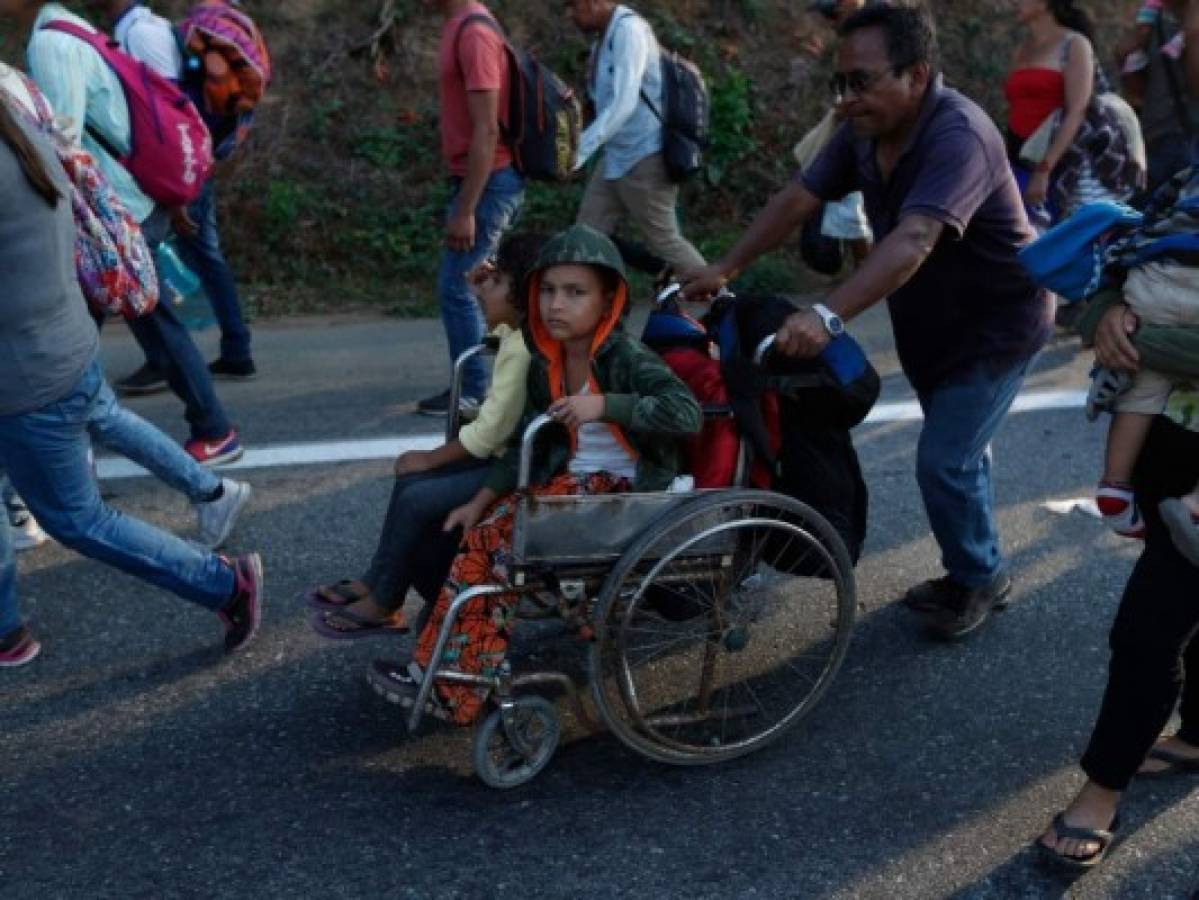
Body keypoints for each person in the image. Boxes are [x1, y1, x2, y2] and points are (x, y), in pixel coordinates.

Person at [682, 4, 1053, 641]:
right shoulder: (863, 129)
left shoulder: (957, 134)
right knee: (959, 451)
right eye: (841, 83)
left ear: (917, 74)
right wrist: (725, 264)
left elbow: (913, 239)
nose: (848, 97)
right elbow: (799, 197)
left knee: (945, 463)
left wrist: (827, 313)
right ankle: (976, 553)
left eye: (862, 81)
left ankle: (980, 575)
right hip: (930, 323)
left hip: (996, 326)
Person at [368, 224, 702, 724]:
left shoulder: (624, 357)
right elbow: (530, 441)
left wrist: (605, 404)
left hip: (624, 494)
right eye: (547, 291)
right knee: (478, 537)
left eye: (575, 293)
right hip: (573, 488)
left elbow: (686, 413)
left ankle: (456, 684)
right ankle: (448, 673)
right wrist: (480, 498)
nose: (556, 305)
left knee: (497, 550)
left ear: (608, 298)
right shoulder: (544, 362)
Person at [0, 93, 262, 668]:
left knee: (78, 519)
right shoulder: (17, 118)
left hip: (28, 379)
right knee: (103, 416)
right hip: (65, 339)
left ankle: (222, 584)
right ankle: (213, 491)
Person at [7, 0, 245, 467]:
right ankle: (78, 444)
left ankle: (212, 429)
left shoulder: (51, 42)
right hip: (128, 199)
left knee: (109, 325)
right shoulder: (66, 26)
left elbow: (62, 142)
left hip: (114, 209)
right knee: (109, 324)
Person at [307, 233, 545, 639]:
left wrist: (433, 457)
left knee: (417, 493)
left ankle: (385, 600)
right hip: (504, 456)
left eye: (497, 282)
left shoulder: (521, 348)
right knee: (411, 483)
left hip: (512, 466)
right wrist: (480, 290)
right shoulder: (516, 335)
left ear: (522, 297)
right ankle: (378, 581)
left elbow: (490, 433)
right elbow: (499, 330)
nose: (486, 288)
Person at [1035, 322, 1199, 869]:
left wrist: (1155, 336)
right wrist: (1112, 312)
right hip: (1169, 449)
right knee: (1180, 613)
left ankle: (1102, 791)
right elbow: (1123, 255)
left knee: (1146, 634)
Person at [90, 0, 257, 387]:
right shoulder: (140, 30)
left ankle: (171, 358)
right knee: (195, 253)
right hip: (187, 164)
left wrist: (178, 185)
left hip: (178, 168)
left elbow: (169, 112)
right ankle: (234, 350)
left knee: (141, 257)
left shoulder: (143, 34)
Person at [416, 0, 525, 417]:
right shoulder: (458, 25)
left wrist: (467, 208)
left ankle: (475, 391)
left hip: (490, 182)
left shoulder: (475, 34)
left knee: (458, 287)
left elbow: (487, 128)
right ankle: (482, 382)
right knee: (471, 286)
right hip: (478, 180)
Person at [568, 0, 707, 279]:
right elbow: (599, 102)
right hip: (616, 157)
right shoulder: (603, 40)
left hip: (644, 156)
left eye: (574, 6)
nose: (570, 15)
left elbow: (624, 102)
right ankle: (598, 314)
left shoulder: (629, 31)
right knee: (585, 237)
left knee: (665, 242)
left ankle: (723, 303)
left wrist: (579, 152)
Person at [1004, 0, 1127, 227]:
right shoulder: (1021, 49)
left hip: (1060, 165)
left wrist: (1044, 170)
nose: (1013, 2)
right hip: (1020, 159)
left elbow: (1077, 110)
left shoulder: (1074, 44)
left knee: (1059, 238)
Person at [795, 0, 876, 264]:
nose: (834, 20)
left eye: (836, 13)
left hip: (866, 131)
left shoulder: (875, 32)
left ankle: (871, 275)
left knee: (852, 210)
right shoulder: (851, 39)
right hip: (854, 130)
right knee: (850, 209)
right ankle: (868, 274)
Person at [1128, 0, 1199, 193]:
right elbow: (1138, 89)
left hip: (1190, 143)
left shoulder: (1193, 27)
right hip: (1154, 140)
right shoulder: (1155, 20)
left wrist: (1193, 35)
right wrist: (1129, 55)